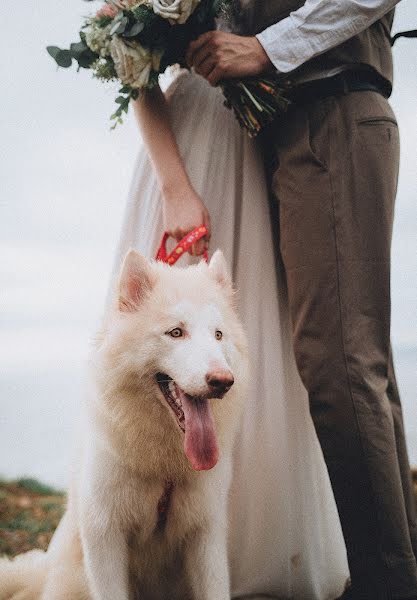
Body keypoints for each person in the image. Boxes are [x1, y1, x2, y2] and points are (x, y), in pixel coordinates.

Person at [186, 1, 417, 599]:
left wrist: (266, 49)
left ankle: (385, 585)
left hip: (332, 113)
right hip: (293, 126)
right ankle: (395, 576)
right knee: (356, 362)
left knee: (340, 363)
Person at [108, 67, 350, 600]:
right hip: (191, 150)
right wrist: (175, 187)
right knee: (161, 336)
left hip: (276, 142)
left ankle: (257, 551)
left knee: (247, 340)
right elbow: (134, 67)